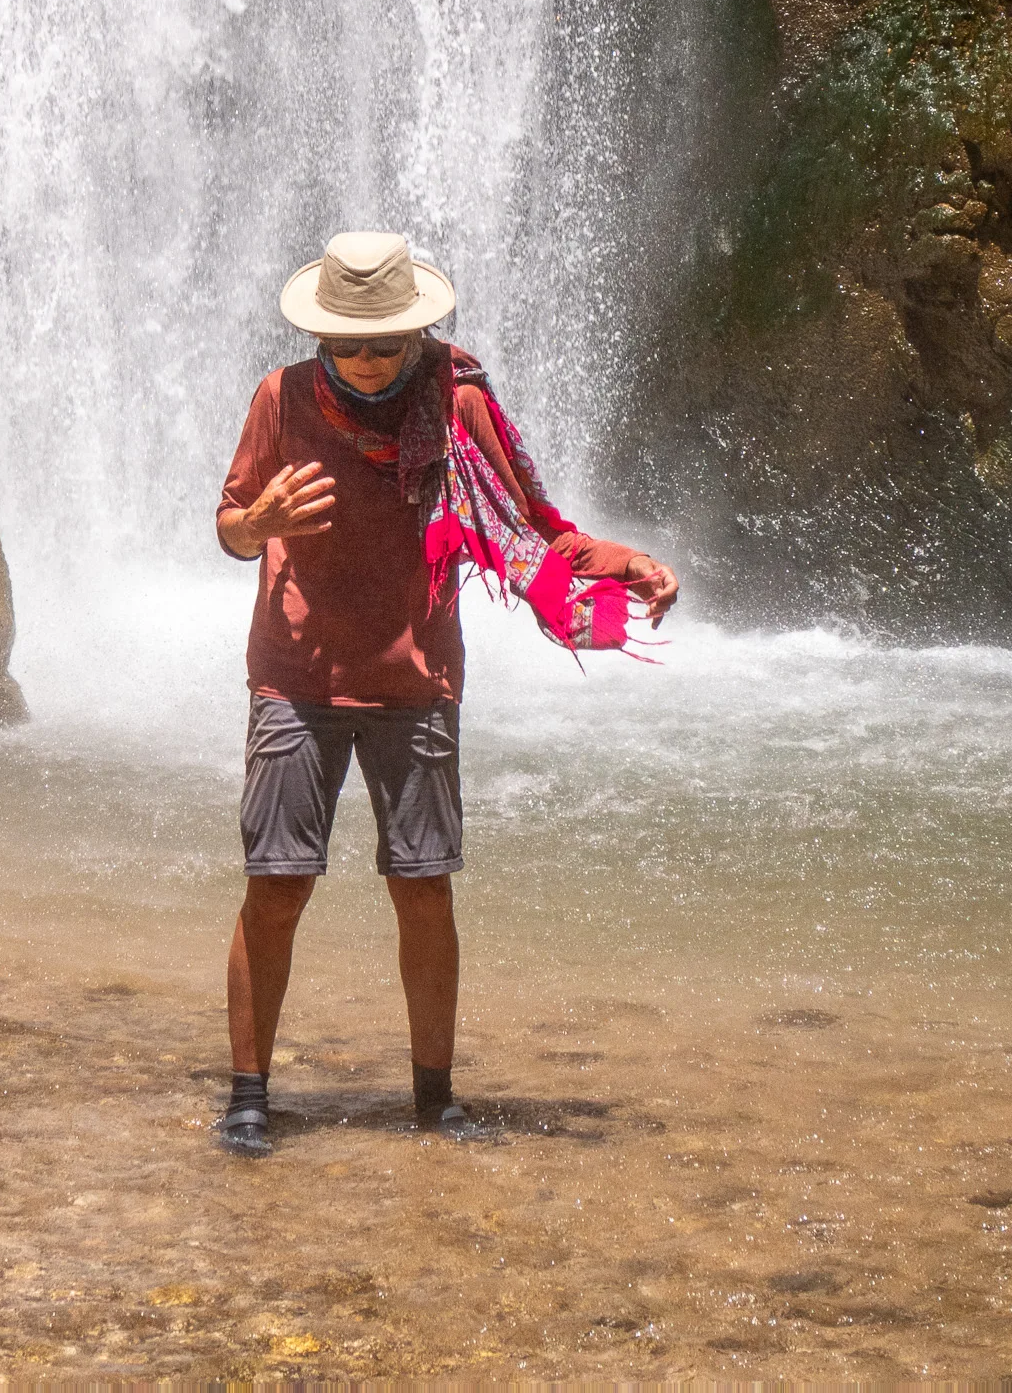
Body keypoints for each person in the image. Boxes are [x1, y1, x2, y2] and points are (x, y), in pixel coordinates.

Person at [214, 227, 678, 1155]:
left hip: (417, 678)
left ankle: (435, 1099)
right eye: (348, 341)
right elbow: (231, 526)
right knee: (278, 886)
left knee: (424, 888)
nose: (368, 359)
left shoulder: (459, 408)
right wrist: (256, 521)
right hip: (297, 678)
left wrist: (626, 562)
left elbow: (536, 528)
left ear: (420, 333)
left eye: (386, 341)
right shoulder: (283, 398)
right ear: (321, 339)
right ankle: (251, 1095)